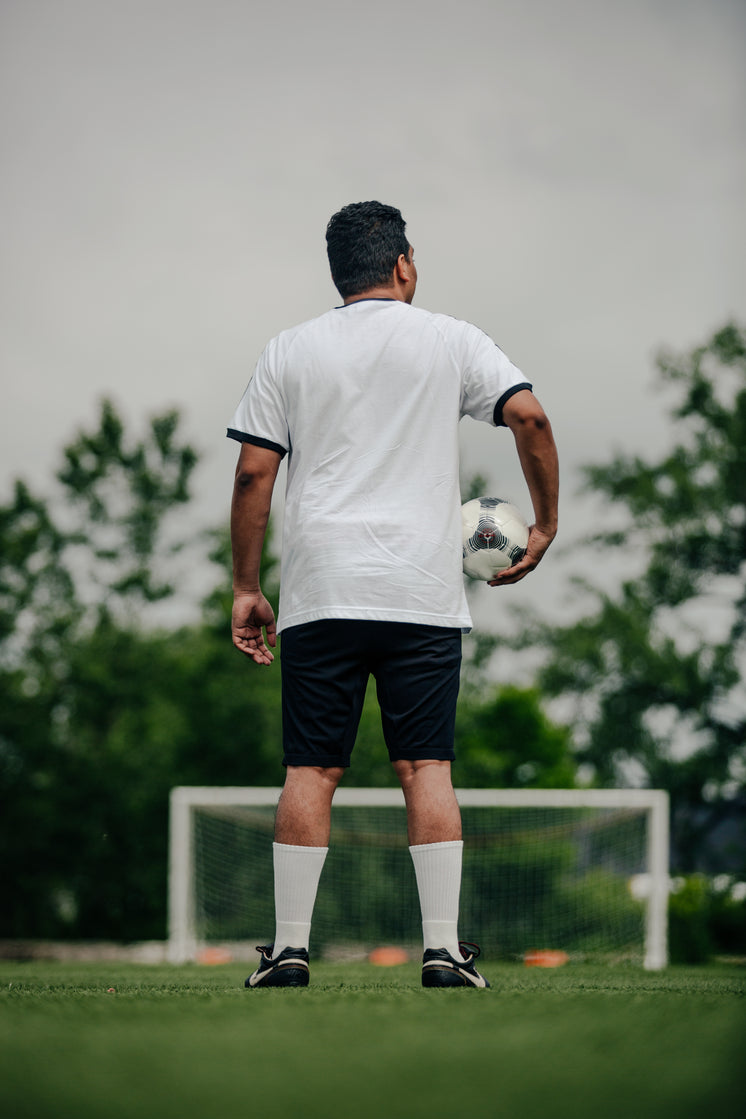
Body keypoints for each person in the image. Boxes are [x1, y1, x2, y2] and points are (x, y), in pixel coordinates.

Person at [228, 201, 559, 989]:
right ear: (403, 264)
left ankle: (290, 951)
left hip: (322, 590)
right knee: (425, 765)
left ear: (340, 273)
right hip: (421, 590)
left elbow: (252, 473)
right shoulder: (451, 338)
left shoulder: (289, 350)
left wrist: (246, 584)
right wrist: (544, 523)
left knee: (311, 771)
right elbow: (531, 417)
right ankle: (443, 951)